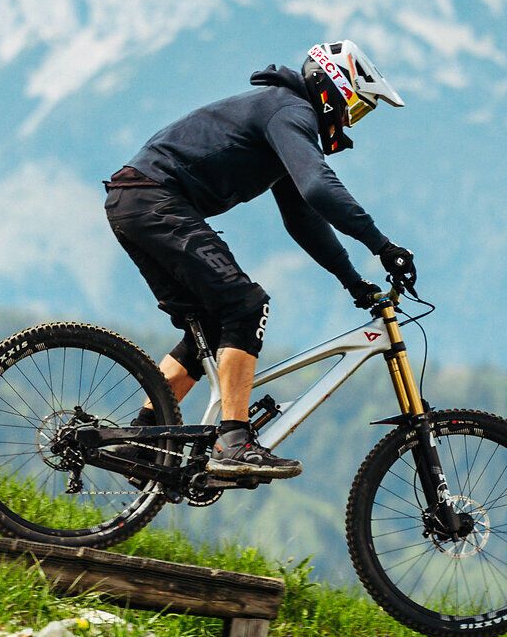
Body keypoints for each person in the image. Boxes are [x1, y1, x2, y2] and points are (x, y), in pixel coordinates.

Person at [103, 41, 416, 483]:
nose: (348, 122)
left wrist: (353, 281)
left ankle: (144, 437)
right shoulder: (289, 112)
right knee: (246, 305)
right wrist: (383, 246)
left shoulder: (280, 113)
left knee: (213, 327)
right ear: (330, 87)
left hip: (135, 201)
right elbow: (320, 188)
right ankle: (234, 440)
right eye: (353, 108)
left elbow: (304, 220)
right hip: (155, 200)